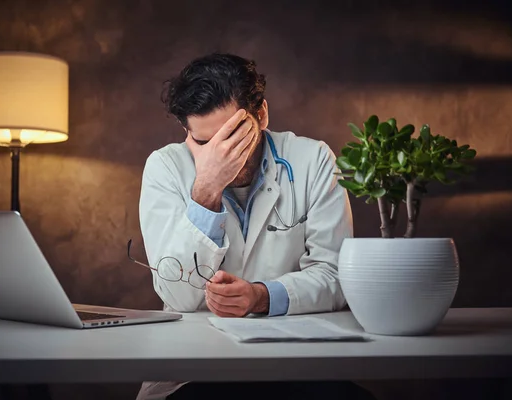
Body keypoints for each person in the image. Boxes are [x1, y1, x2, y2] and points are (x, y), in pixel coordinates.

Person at [135, 54, 372, 399]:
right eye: (203, 143)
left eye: (231, 136)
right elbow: (178, 296)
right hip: (195, 370)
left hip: (294, 361)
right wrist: (205, 192)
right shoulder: (165, 167)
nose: (221, 154)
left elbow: (335, 276)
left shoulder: (314, 159)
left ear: (261, 114)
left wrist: (260, 296)